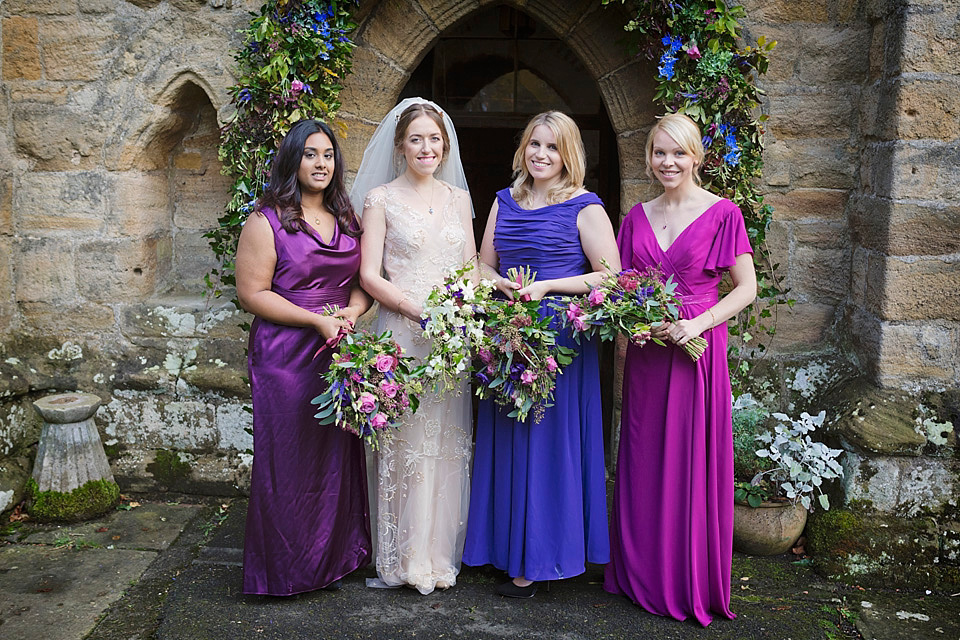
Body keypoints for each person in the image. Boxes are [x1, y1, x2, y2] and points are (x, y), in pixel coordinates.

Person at [603, 113, 757, 626]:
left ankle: (685, 576)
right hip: (650, 354)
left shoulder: (722, 214)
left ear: (697, 157)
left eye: (679, 153)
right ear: (648, 157)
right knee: (645, 458)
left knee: (689, 462)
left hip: (696, 353)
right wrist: (634, 324)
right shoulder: (636, 217)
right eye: (659, 153)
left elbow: (746, 287)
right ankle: (641, 573)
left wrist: (700, 325)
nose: (668, 163)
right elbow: (625, 285)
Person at [462, 111, 620, 598]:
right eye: (534, 143)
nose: (541, 154)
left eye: (552, 147)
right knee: (507, 440)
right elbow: (479, 266)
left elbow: (611, 276)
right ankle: (502, 547)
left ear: (568, 153)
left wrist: (549, 286)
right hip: (506, 335)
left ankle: (539, 559)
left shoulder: (584, 206)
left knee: (546, 447)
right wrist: (501, 285)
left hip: (559, 343)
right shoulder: (503, 201)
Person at [236, 119, 373, 595]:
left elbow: (361, 285)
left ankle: (329, 561)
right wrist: (316, 320)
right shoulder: (266, 219)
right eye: (311, 154)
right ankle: (284, 572)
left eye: (328, 155)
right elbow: (252, 293)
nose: (321, 163)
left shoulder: (347, 218)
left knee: (334, 458)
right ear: (293, 159)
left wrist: (351, 314)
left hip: (337, 351)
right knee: (287, 460)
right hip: (285, 354)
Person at [352, 98, 477, 595]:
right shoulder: (380, 198)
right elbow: (367, 273)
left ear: (445, 147)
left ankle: (438, 555)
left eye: (434, 139)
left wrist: (464, 310)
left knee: (447, 441)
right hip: (402, 335)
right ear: (401, 146)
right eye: (417, 139)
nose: (427, 147)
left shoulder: (459, 199)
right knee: (405, 442)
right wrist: (415, 309)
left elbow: (469, 265)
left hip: (451, 337)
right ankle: (402, 557)